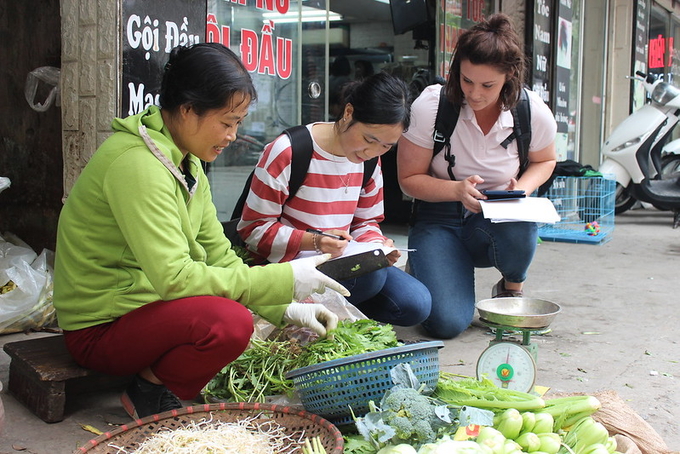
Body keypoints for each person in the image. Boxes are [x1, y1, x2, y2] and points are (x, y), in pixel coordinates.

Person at [52, 43, 348, 419]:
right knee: (228, 323)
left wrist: (283, 307)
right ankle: (148, 388)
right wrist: (285, 278)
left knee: (229, 308)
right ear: (188, 110)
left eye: (238, 123)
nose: (232, 136)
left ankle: (153, 378)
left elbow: (220, 255)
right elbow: (175, 278)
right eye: (226, 122)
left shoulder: (185, 162)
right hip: (101, 328)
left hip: (148, 310)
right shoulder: (137, 166)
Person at [397, 13, 557, 339]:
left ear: (509, 77)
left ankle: (511, 288)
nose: (475, 94)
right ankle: (432, 266)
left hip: (497, 218)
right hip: (439, 218)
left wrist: (522, 188)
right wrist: (456, 190)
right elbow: (408, 178)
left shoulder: (531, 110)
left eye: (488, 85)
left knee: (522, 222)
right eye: (467, 80)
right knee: (446, 324)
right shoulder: (433, 104)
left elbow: (546, 160)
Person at [237, 72, 432, 327]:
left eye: (386, 146)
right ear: (348, 112)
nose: (371, 151)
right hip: (289, 267)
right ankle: (309, 313)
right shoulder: (289, 151)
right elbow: (252, 229)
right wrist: (315, 241)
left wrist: (379, 247)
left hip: (340, 263)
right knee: (371, 279)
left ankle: (331, 315)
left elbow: (367, 221)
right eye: (369, 139)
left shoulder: (370, 161)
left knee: (416, 304)